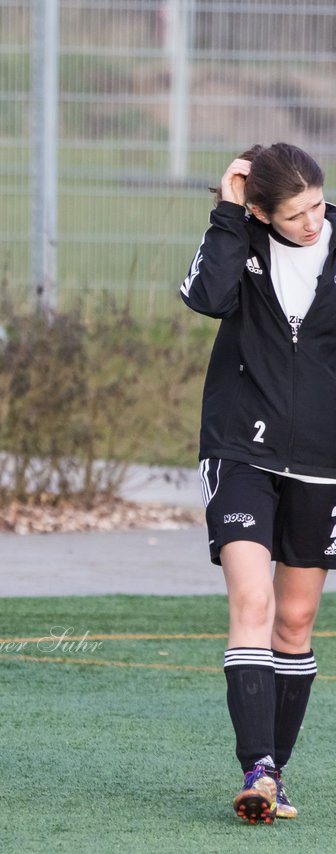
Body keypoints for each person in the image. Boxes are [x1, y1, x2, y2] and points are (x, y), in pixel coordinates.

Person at [182, 143, 336, 823]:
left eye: (319, 205)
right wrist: (226, 214)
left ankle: (275, 776)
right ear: (262, 212)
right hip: (241, 449)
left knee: (297, 620)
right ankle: (258, 768)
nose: (310, 222)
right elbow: (204, 298)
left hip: (325, 461)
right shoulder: (238, 239)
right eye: (295, 213)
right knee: (253, 602)